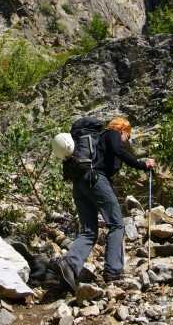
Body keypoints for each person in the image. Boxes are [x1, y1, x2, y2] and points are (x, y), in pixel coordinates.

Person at [54, 116, 155, 292]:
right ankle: (113, 271)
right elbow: (119, 150)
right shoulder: (112, 134)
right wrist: (142, 164)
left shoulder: (98, 142)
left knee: (89, 231)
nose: (126, 140)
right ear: (123, 130)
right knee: (116, 224)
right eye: (128, 136)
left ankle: (69, 266)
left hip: (79, 184)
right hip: (95, 180)